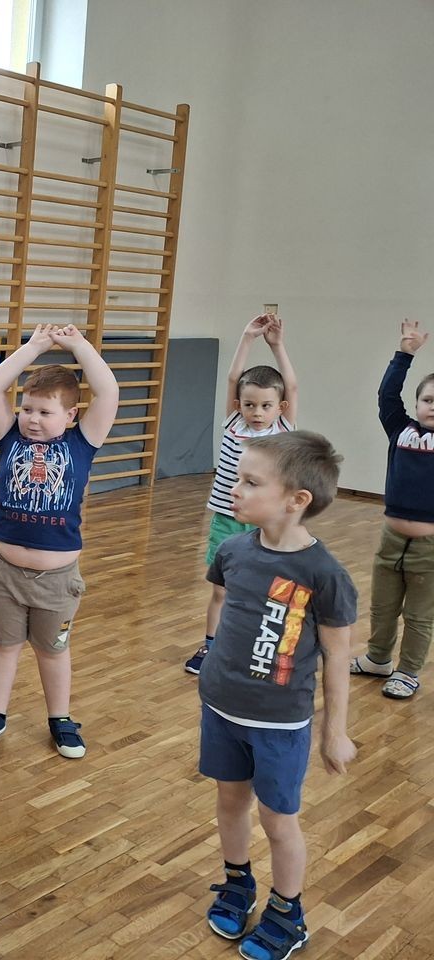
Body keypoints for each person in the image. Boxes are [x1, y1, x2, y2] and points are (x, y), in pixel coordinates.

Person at [198, 431, 356, 960]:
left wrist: (335, 732)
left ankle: (289, 914)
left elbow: (337, 655)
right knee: (229, 800)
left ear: (296, 500)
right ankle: (237, 881)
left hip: (279, 724)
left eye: (250, 482)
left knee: (277, 820)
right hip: (221, 708)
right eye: (237, 478)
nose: (234, 489)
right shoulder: (232, 550)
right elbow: (225, 616)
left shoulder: (323, 574)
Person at [0, 323, 118, 759]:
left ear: (70, 416)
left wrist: (79, 345)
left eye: (45, 412)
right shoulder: (9, 438)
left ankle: (60, 719)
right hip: (4, 573)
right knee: (2, 647)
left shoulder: (83, 443)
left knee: (53, 652)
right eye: (27, 409)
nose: (32, 419)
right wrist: (33, 347)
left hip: (57, 580)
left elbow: (108, 392)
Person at [186, 314, 297, 674]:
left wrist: (277, 345)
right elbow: (234, 378)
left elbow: (292, 386)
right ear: (239, 405)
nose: (257, 412)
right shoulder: (234, 423)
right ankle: (210, 646)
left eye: (265, 406)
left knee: (263, 589)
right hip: (226, 519)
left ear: (279, 408)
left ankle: (257, 646)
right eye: (249, 404)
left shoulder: (282, 430)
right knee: (221, 590)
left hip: (264, 524)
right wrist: (247, 338)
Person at [350, 319, 434, 699]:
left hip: (428, 548)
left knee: (418, 615)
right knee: (382, 606)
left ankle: (408, 671)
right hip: (391, 539)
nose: (433, 406)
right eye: (428, 399)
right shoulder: (401, 429)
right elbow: (387, 395)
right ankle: (378, 658)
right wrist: (405, 354)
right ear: (417, 404)